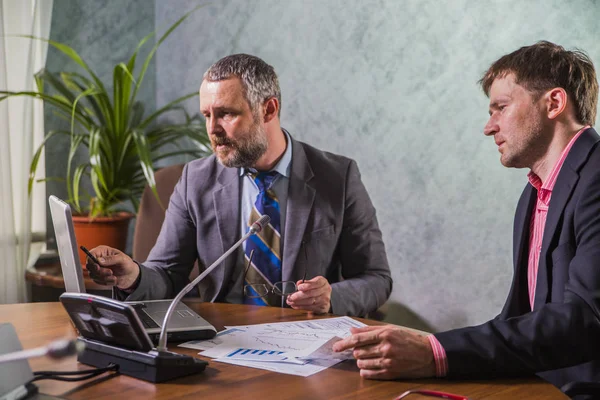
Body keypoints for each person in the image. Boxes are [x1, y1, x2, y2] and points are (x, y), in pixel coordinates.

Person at [334, 41, 600, 391]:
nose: (489, 127)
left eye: (500, 108)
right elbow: (520, 320)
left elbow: (585, 320)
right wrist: (424, 347)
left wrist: (434, 352)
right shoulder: (533, 194)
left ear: (553, 103)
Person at [86, 54, 392, 317]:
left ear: (268, 110)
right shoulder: (196, 180)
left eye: (226, 114)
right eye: (207, 115)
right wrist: (132, 276)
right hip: (222, 343)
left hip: (307, 343)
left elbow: (375, 278)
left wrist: (332, 297)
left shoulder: (337, 176)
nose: (212, 130)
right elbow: (167, 274)